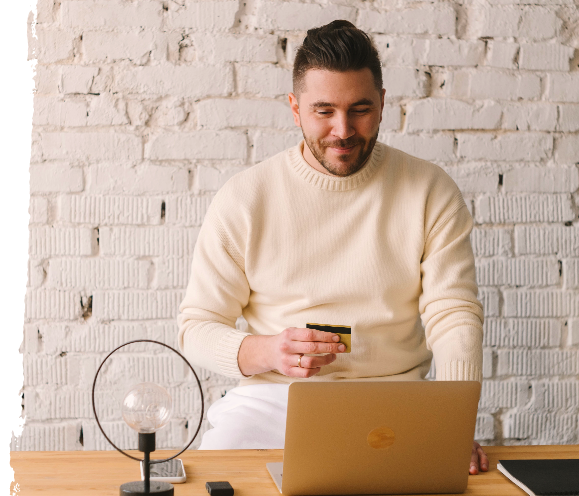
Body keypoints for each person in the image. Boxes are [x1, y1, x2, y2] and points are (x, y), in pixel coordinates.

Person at [177, 20, 488, 474]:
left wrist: (457, 423)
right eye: (324, 111)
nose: (343, 131)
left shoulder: (429, 190)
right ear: (295, 108)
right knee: (213, 478)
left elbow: (453, 313)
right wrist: (267, 351)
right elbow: (197, 328)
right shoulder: (246, 197)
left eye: (360, 109)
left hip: (396, 399)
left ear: (382, 104)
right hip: (274, 399)